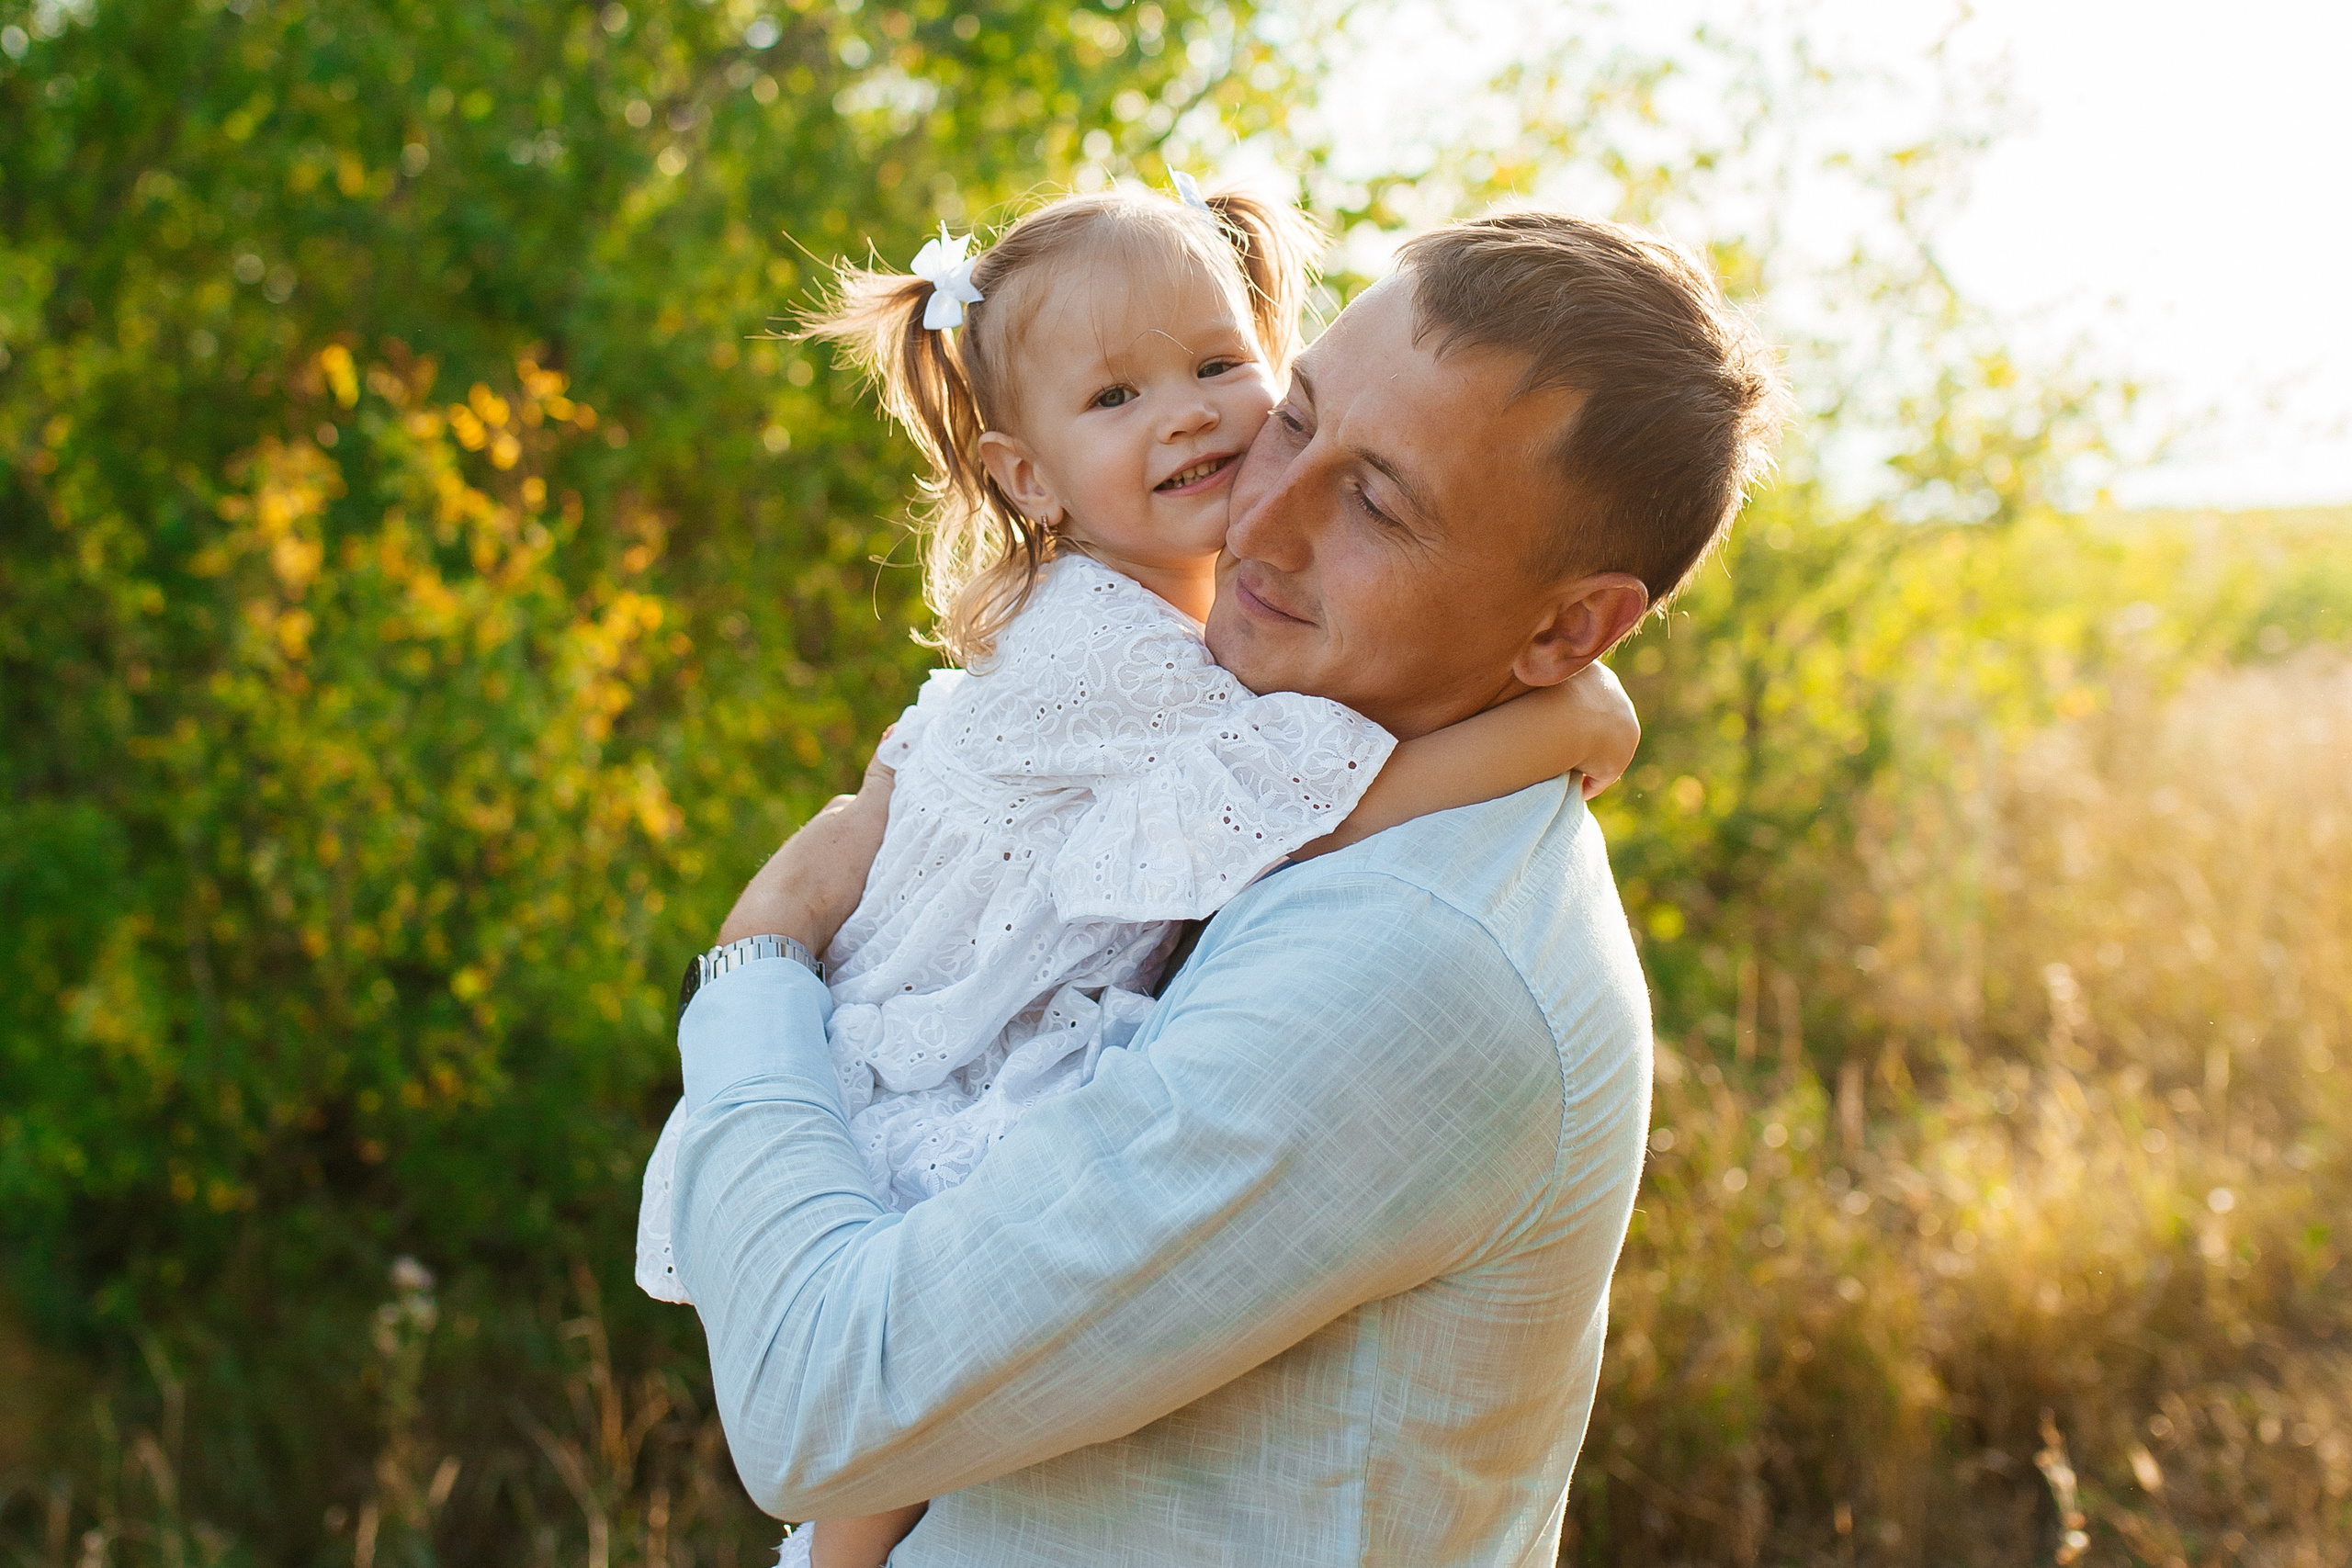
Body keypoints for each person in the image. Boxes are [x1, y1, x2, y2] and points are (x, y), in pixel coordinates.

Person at [667, 209, 1786, 1566]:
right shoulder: (1269, 731)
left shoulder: (1404, 957)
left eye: (1375, 499)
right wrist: (1567, 717)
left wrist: (757, 961)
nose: (1259, 512)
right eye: (1299, 416)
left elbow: (816, 1400)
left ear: (1566, 628)